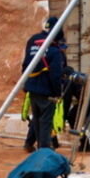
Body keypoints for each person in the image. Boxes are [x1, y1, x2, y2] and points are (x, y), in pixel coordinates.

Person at [21, 16, 67, 152]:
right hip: (47, 91)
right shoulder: (54, 51)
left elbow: (25, 65)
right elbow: (55, 75)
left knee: (37, 120)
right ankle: (44, 151)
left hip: (32, 88)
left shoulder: (32, 41)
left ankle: (31, 145)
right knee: (46, 122)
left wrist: (26, 83)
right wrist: (58, 93)